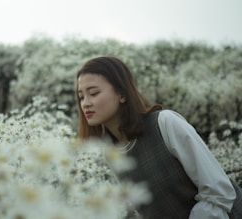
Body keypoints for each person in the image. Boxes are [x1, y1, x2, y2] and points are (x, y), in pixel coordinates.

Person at [75, 56, 242, 219]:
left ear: (122, 94)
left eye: (94, 93)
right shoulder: (110, 152)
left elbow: (219, 192)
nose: (85, 103)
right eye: (81, 97)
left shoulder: (165, 123)